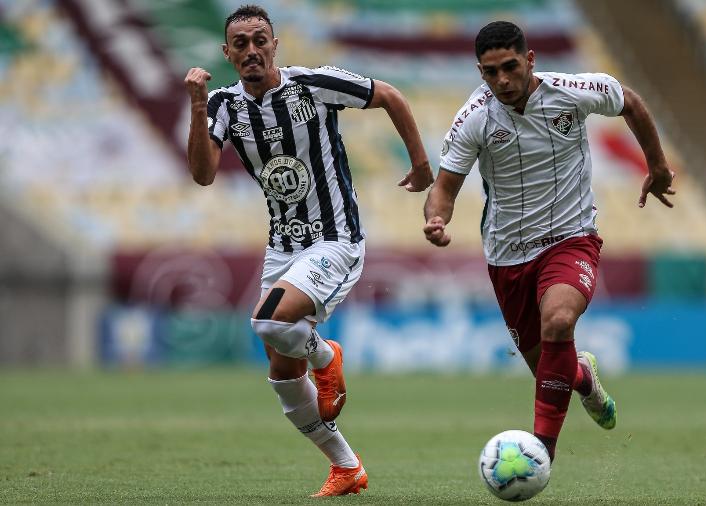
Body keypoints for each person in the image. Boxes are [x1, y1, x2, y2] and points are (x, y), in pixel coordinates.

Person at [184, 5, 433, 497]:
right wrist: (195, 105)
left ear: (275, 44)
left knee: (268, 322)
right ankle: (346, 467)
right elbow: (203, 174)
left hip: (335, 238)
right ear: (227, 53)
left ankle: (326, 357)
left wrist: (421, 165)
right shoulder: (222, 106)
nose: (252, 50)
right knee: (281, 371)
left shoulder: (313, 84)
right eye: (241, 43)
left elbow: (389, 95)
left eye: (260, 40)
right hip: (282, 248)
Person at [423, 21, 675, 462]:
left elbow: (629, 103)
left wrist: (656, 166)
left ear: (530, 60)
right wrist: (436, 219)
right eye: (489, 72)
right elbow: (444, 187)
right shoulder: (474, 118)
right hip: (507, 257)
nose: (502, 80)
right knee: (549, 371)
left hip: (570, 238)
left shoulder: (570, 90)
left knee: (558, 322)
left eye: (510, 67)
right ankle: (583, 378)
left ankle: (541, 453)